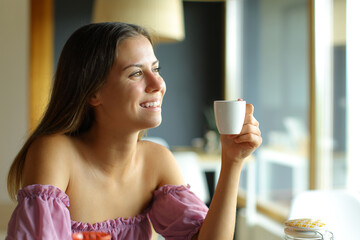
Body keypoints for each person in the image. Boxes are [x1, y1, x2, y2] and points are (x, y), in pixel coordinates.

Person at [6, 22, 262, 240]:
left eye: (156, 69)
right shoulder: (55, 152)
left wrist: (232, 161)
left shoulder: (156, 160)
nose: (157, 83)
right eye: (136, 73)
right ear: (93, 92)